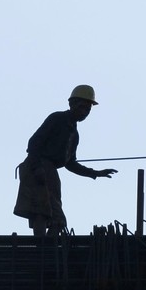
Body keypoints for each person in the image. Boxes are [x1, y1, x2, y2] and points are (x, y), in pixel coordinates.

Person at [13, 85, 118, 236]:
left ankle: (46, 248)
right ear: (72, 104)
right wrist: (37, 169)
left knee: (56, 219)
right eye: (82, 107)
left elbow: (70, 163)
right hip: (37, 166)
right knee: (41, 211)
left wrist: (95, 173)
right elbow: (34, 143)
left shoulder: (74, 134)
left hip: (49, 170)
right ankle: (41, 248)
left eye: (88, 110)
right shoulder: (57, 119)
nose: (85, 112)